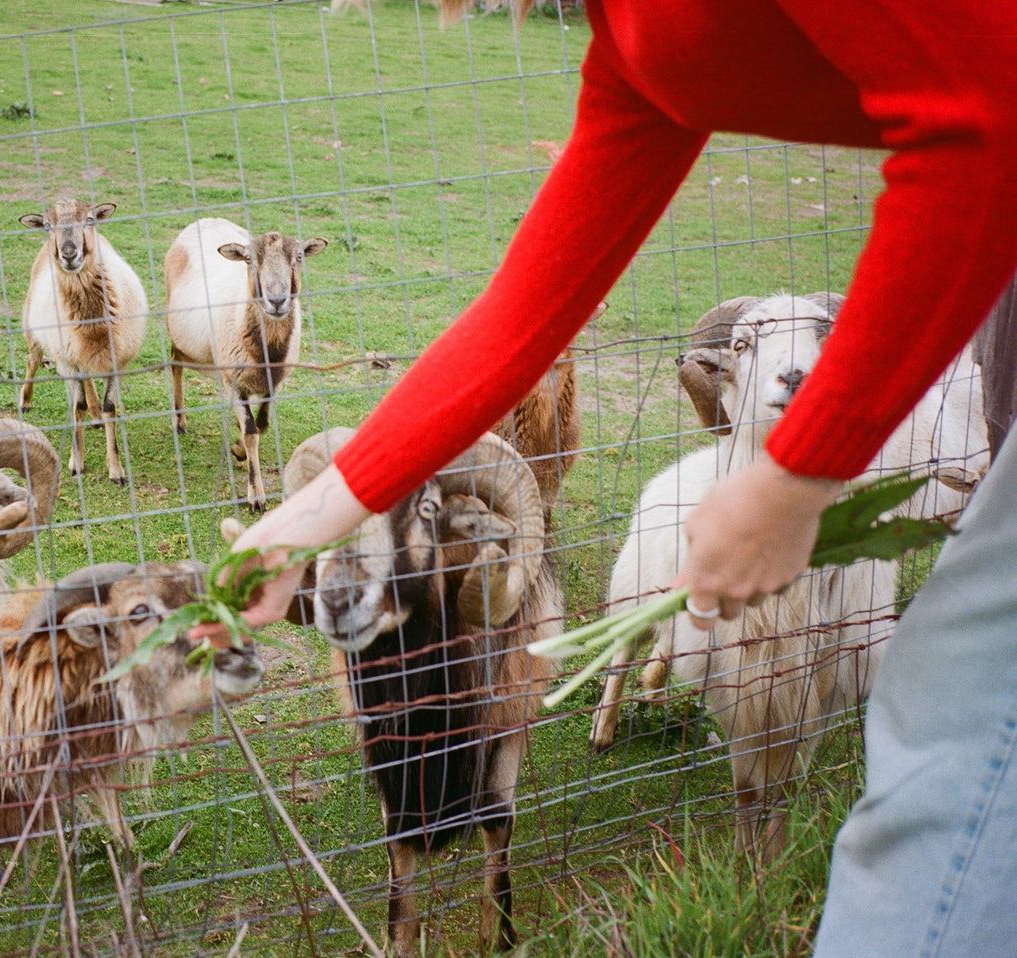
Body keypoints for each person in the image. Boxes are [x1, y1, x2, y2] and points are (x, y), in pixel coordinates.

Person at [195, 1, 1017, 953]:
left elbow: (983, 123)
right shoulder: (630, 42)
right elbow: (516, 319)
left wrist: (795, 475)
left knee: (950, 759)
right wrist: (301, 521)